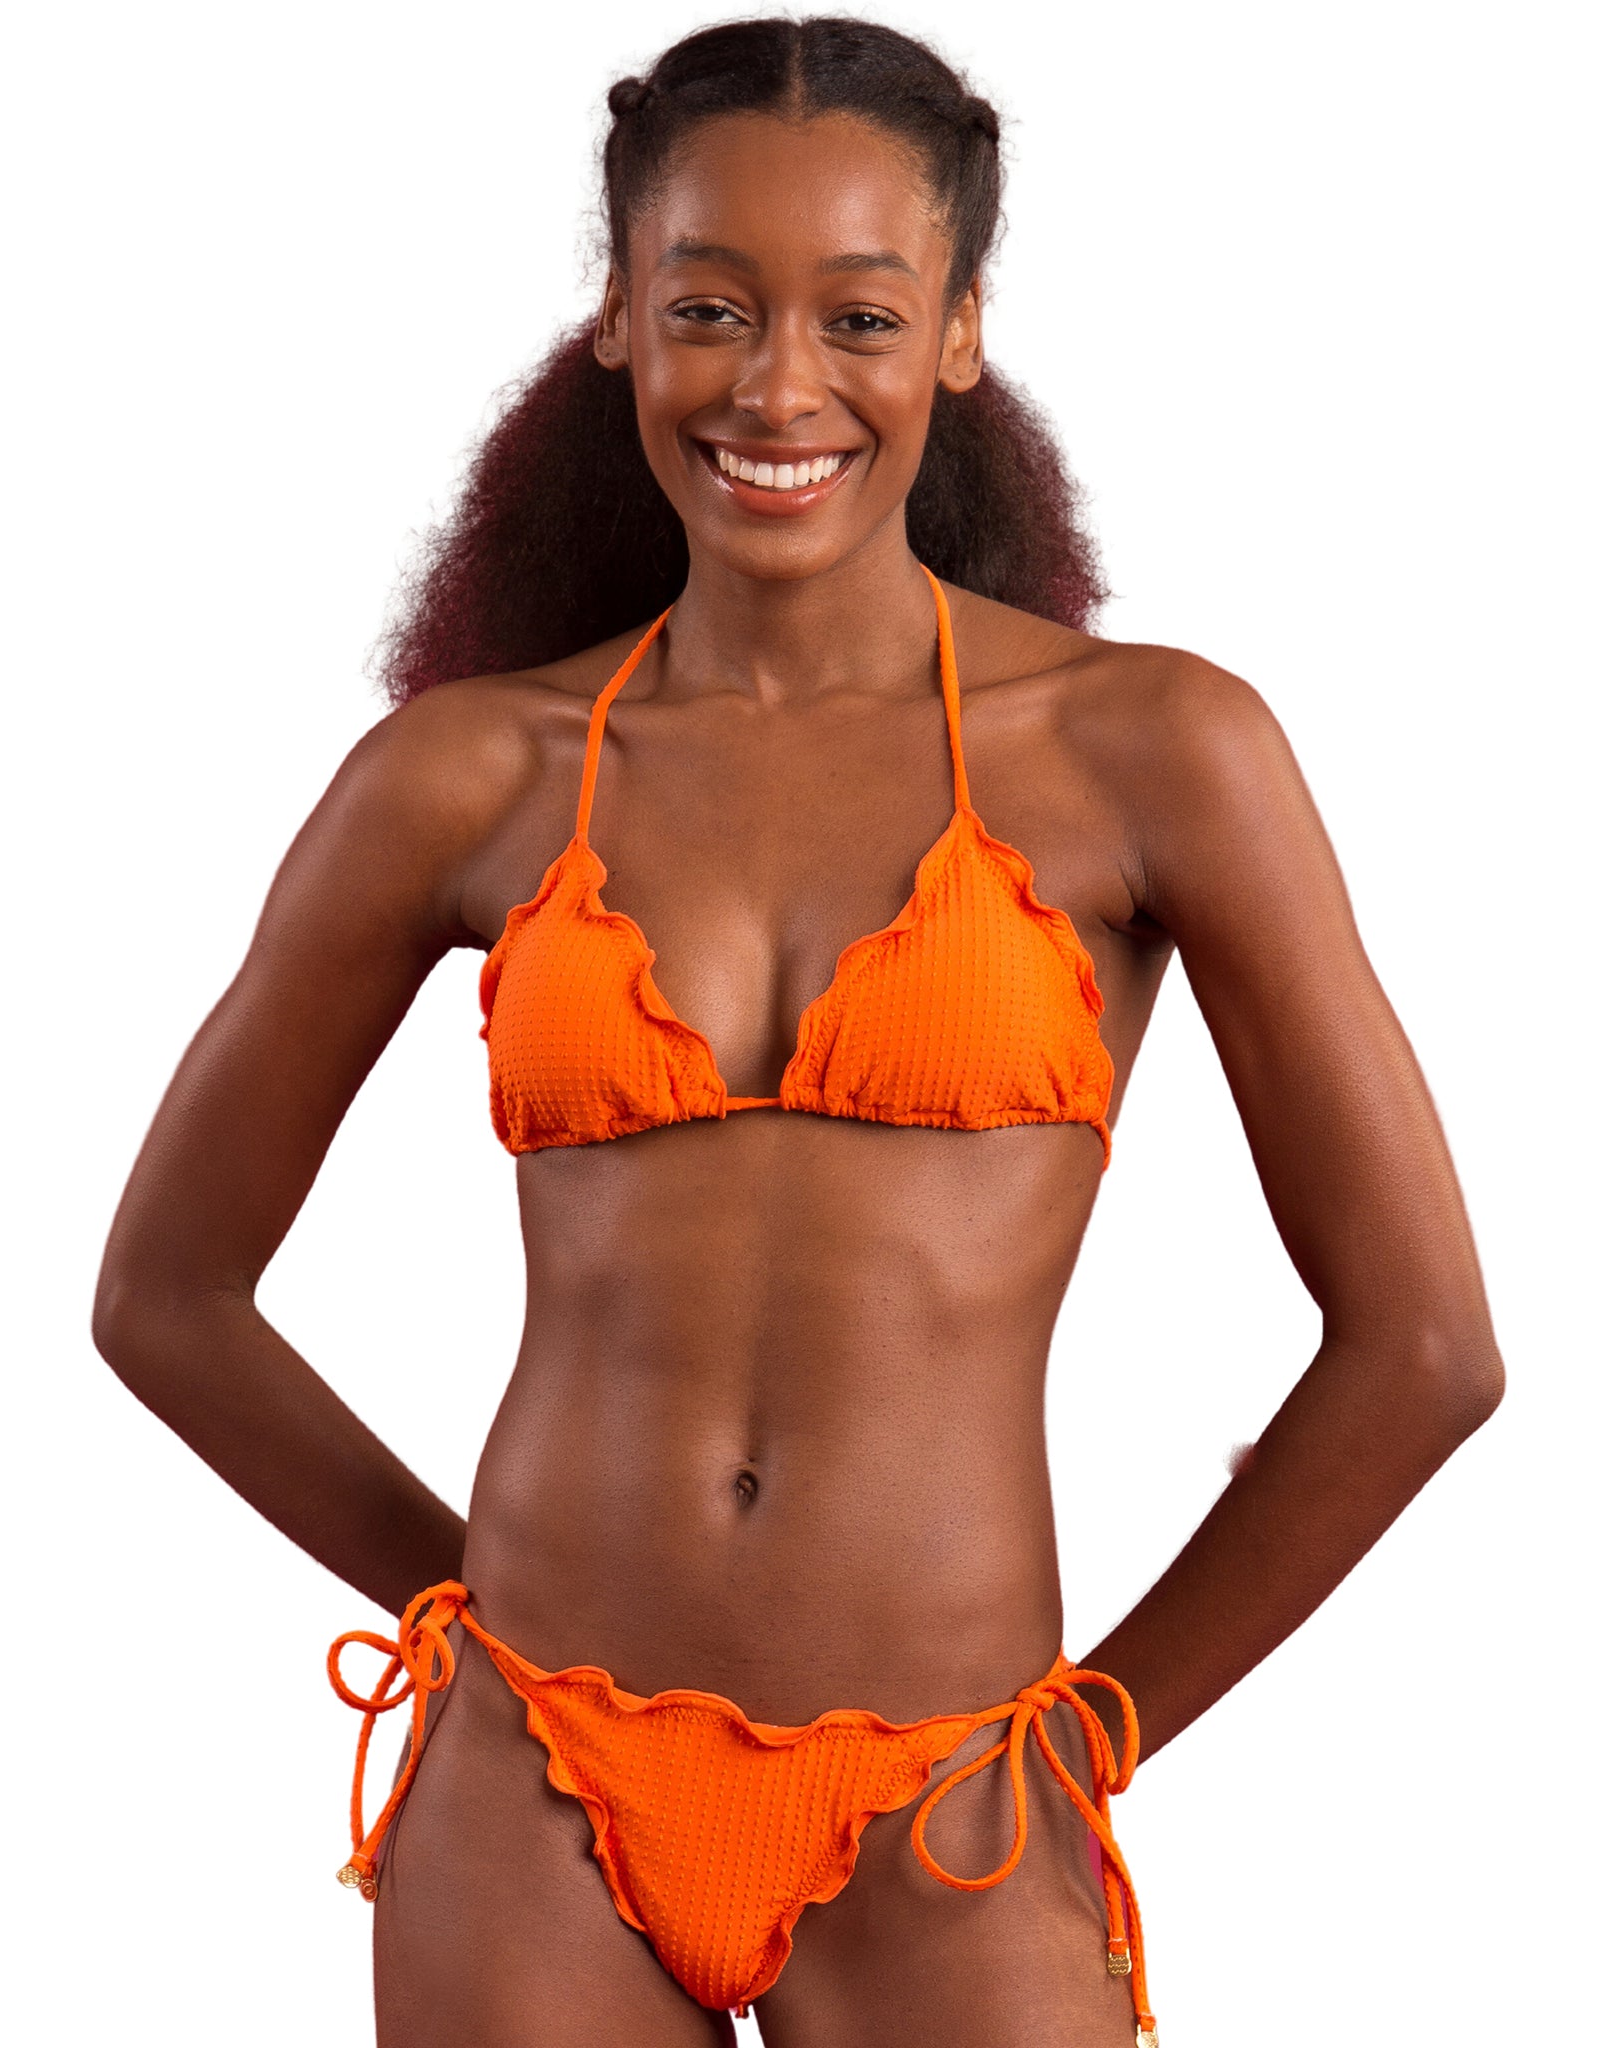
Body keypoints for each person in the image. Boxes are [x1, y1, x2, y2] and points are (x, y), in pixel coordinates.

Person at [91, 16, 1504, 2047]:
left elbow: (1425, 1346)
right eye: (706, 309)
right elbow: (165, 1297)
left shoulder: (1154, 752)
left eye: (858, 314)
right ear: (617, 319)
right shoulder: (468, 772)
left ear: (957, 334)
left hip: (952, 1801)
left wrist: (1097, 1732)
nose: (775, 386)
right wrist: (471, 1623)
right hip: (536, 1787)